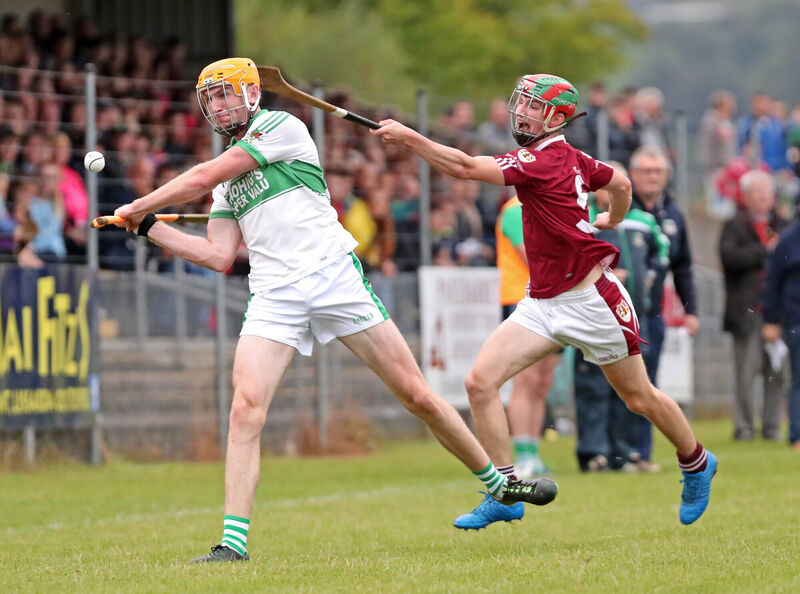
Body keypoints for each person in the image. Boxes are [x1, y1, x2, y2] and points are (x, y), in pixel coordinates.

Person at [112, 58, 556, 562]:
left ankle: (500, 486)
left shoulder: (282, 127)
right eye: (210, 98)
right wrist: (149, 227)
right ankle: (232, 546)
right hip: (275, 294)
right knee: (244, 408)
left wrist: (140, 201)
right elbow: (217, 255)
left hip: (333, 277)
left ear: (252, 94)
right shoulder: (225, 186)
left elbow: (206, 172)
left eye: (225, 94)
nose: (219, 105)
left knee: (416, 395)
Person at [373, 73, 717, 529]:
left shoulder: (539, 160)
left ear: (556, 117)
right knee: (480, 383)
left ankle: (696, 463)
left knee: (640, 398)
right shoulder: (568, 156)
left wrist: (410, 136)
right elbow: (620, 181)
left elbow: (462, 167)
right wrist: (612, 215)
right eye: (521, 103)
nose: (522, 112)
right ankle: (506, 492)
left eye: (532, 107)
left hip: (593, 301)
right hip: (542, 303)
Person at [574, 161, 670, 472]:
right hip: (591, 317)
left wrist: (651, 276)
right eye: (605, 185)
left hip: (632, 317)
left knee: (631, 388)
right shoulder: (583, 220)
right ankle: (593, 452)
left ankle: (624, 452)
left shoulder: (641, 220)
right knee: (593, 385)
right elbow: (572, 257)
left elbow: (663, 252)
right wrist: (606, 272)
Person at [628, 145, 700, 467]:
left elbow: (682, 266)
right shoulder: (621, 208)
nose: (652, 177)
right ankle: (615, 450)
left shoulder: (673, 214)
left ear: (667, 175)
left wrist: (691, 309)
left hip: (654, 313)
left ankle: (641, 452)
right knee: (622, 383)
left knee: (649, 384)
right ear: (633, 174)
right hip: (619, 312)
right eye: (646, 171)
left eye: (658, 171)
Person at [719, 170, 787, 441]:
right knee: (745, 373)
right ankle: (744, 426)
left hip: (777, 310)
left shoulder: (783, 224)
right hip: (745, 311)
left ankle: (772, 425)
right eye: (757, 193)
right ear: (745, 196)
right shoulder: (734, 225)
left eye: (767, 192)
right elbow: (729, 258)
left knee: (777, 371)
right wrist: (764, 251)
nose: (763, 198)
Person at [495, 195, 559, 479]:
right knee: (527, 379)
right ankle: (522, 455)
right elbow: (533, 258)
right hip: (523, 300)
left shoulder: (545, 205)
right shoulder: (514, 211)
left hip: (554, 301)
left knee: (543, 381)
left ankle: (533, 450)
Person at [762, 196, 800, 450]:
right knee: (798, 378)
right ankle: (797, 434)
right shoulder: (789, 239)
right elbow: (772, 281)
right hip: (796, 318)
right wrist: (772, 320)